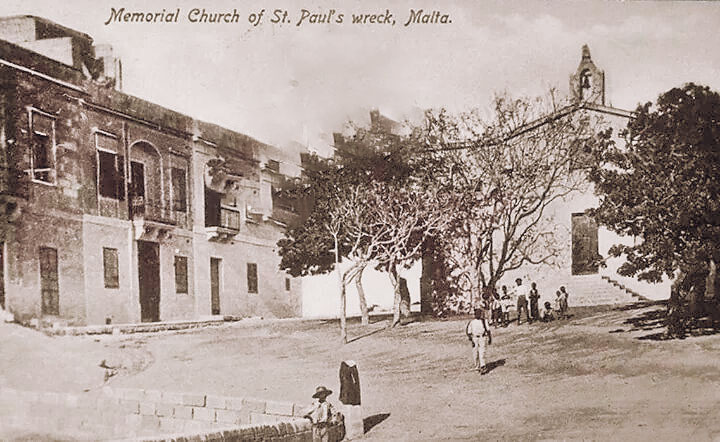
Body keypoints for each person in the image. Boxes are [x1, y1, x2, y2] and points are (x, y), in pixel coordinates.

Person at [465, 307, 491, 374]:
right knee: (475, 353)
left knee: (482, 352)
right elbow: (468, 332)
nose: (478, 315)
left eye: (479, 313)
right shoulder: (472, 322)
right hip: (475, 338)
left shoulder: (484, 321)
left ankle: (483, 366)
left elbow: (488, 330)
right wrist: (471, 339)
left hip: (482, 337)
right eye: (476, 314)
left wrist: (490, 338)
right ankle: (477, 366)